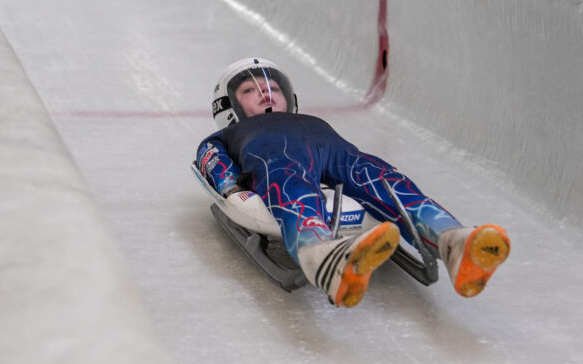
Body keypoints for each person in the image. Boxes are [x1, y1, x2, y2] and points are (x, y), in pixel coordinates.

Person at [196, 56, 510, 308]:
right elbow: (211, 158)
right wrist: (231, 188)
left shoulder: (309, 119)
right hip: (274, 155)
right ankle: (321, 256)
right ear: (229, 107)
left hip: (338, 153)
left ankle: (453, 241)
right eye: (249, 91)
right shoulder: (229, 134)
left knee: (385, 180)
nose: (265, 92)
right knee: (290, 185)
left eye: (273, 88)